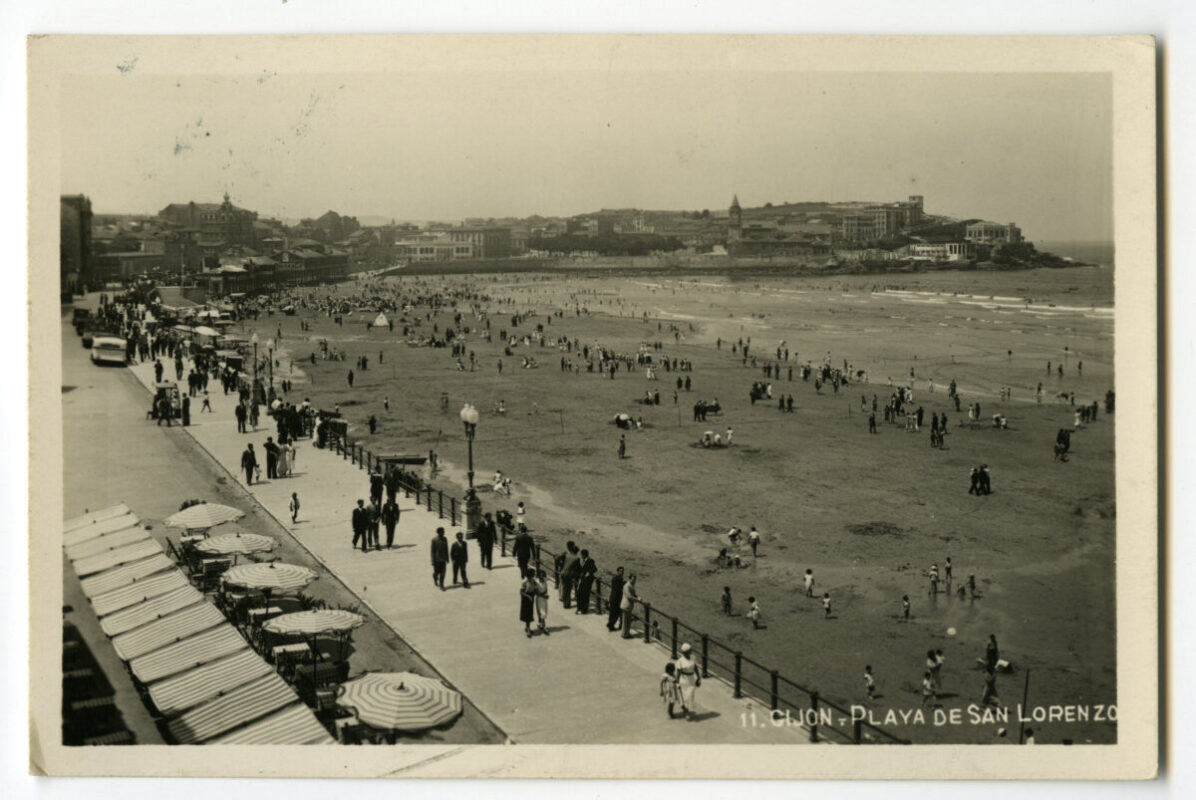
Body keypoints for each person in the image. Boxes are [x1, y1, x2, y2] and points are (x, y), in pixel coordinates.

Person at [675, 643, 700, 720]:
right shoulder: (680, 661)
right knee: (685, 697)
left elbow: (695, 667)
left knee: (690, 695)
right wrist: (677, 683)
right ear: (685, 652)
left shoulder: (693, 657)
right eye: (690, 650)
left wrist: (698, 677)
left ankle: (686, 709)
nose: (691, 651)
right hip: (684, 680)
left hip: (691, 679)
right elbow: (678, 673)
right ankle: (686, 712)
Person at [559, 542, 581, 608]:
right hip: (569, 575)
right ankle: (566, 604)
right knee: (568, 589)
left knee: (564, 588)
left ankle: (564, 601)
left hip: (563, 572)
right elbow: (578, 568)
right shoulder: (576, 558)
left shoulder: (567, 555)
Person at [520, 569, 537, 637]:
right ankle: (528, 629)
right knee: (527, 615)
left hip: (531, 597)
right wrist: (528, 596)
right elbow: (521, 592)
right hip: (526, 599)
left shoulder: (533, 580)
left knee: (530, 614)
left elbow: (535, 587)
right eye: (533, 573)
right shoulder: (524, 581)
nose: (534, 575)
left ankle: (527, 627)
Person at [534, 568, 550, 634]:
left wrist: (546, 594)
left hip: (544, 598)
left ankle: (540, 623)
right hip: (539, 598)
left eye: (543, 575)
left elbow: (546, 589)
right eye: (540, 575)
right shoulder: (536, 582)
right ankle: (544, 627)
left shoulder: (545, 581)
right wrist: (543, 595)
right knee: (542, 612)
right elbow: (536, 592)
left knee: (544, 611)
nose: (542, 576)